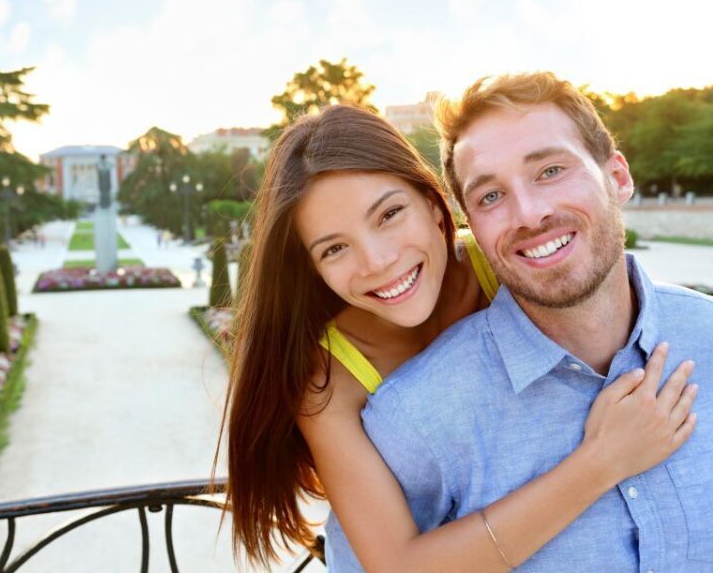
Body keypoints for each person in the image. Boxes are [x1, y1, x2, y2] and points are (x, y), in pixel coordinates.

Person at [220, 103, 697, 571]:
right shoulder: (326, 377)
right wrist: (601, 463)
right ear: (314, 268)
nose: (377, 261)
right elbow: (396, 564)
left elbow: (598, 286)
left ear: (435, 205)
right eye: (336, 248)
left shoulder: (504, 260)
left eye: (388, 215)